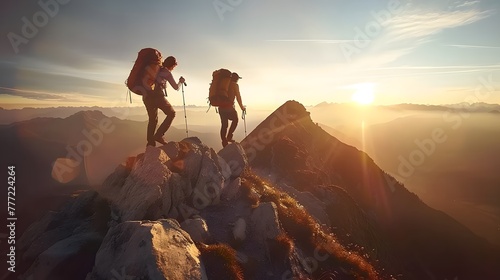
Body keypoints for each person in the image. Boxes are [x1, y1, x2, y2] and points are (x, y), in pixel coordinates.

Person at [143, 56, 185, 146]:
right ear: (172, 65)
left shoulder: (155, 70)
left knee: (152, 120)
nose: (173, 68)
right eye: (174, 66)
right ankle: (159, 135)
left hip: (146, 96)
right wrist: (181, 82)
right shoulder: (167, 73)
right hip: (157, 96)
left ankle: (150, 143)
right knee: (171, 113)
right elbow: (176, 87)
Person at [219, 72, 245, 147]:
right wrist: (242, 108)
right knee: (235, 120)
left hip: (221, 107)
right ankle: (229, 136)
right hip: (229, 107)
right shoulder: (234, 85)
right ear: (236, 79)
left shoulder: (223, 85)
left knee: (224, 125)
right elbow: (238, 97)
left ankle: (224, 142)